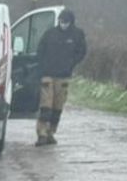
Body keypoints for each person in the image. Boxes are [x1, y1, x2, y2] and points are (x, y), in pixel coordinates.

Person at [35, 9, 88, 146]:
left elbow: (82, 51)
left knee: (57, 107)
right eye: (61, 21)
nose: (63, 24)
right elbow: (40, 50)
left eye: (66, 22)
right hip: (47, 74)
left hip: (64, 75)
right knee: (46, 105)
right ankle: (42, 134)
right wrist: (43, 66)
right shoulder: (50, 34)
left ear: (71, 22)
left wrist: (71, 63)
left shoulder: (77, 35)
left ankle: (51, 133)